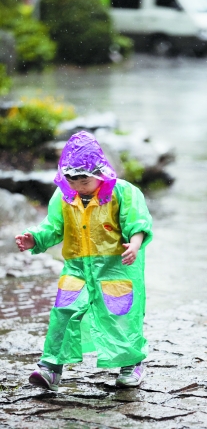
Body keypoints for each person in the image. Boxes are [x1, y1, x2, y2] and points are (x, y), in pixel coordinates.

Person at [15, 130, 153, 391]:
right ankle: (50, 367)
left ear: (99, 173)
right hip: (77, 267)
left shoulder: (122, 192)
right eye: (71, 180)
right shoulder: (64, 197)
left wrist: (134, 244)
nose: (78, 185)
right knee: (64, 312)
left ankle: (131, 363)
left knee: (120, 315)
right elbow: (54, 226)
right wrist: (35, 238)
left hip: (116, 267)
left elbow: (137, 221)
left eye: (84, 180)